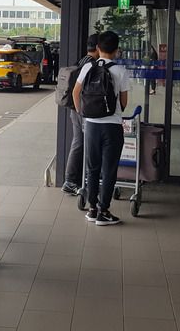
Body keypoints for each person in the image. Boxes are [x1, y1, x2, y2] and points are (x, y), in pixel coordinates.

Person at [72, 31, 130, 226]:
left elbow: (76, 92)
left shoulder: (88, 66)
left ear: (98, 48)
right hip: (112, 126)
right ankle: (103, 211)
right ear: (116, 50)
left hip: (91, 126)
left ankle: (92, 209)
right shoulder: (120, 71)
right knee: (109, 170)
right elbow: (124, 102)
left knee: (92, 168)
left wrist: (82, 113)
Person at [62, 34, 100, 196]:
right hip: (82, 110)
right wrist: (80, 110)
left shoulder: (81, 61)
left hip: (77, 109)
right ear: (98, 47)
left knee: (79, 142)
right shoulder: (90, 64)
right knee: (80, 143)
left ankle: (72, 180)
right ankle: (71, 181)